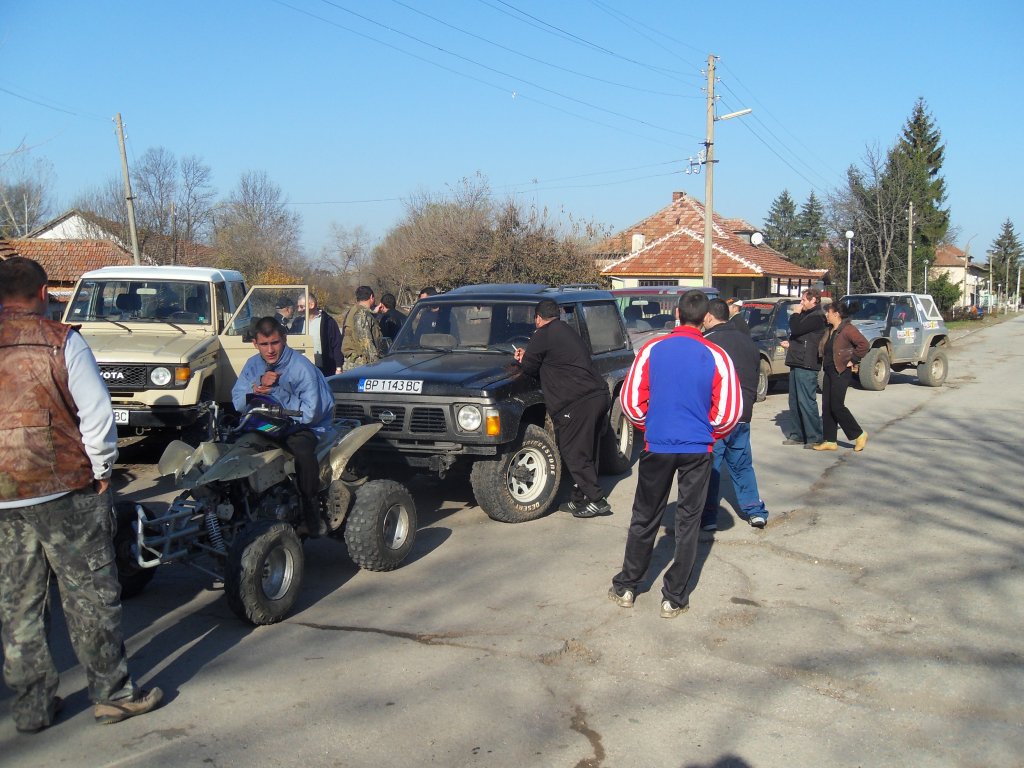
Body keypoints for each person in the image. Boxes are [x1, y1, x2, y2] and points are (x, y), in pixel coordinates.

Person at [0, 257, 163, 732]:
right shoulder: (63, 340)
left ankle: (32, 707)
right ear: (43, 292)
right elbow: (96, 413)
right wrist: (103, 469)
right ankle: (112, 695)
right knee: (90, 595)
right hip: (65, 489)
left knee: (18, 603)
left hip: (4, 497)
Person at [610, 290, 741, 618]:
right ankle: (674, 598)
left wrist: (652, 425)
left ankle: (628, 586)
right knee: (688, 522)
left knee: (644, 516)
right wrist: (707, 433)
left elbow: (630, 401)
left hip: (657, 445)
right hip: (697, 449)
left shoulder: (651, 349)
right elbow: (729, 410)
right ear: (705, 318)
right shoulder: (716, 355)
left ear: (677, 315)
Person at [232, 317, 335, 536]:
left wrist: (275, 392)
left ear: (284, 339)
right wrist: (255, 390)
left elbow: (310, 414)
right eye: (264, 344)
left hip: (305, 426)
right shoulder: (253, 365)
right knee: (236, 445)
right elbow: (238, 401)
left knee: (303, 453)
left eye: (275, 343)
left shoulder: (301, 368)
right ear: (255, 344)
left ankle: (311, 516)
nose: (270, 350)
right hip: (267, 422)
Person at [513, 299, 612, 518]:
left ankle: (597, 500)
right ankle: (580, 499)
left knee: (574, 452)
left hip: (577, 402)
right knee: (588, 452)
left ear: (538, 318)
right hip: (597, 395)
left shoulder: (542, 334)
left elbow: (529, 367)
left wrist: (522, 358)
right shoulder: (567, 330)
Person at [700, 299, 769, 530]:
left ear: (709, 316)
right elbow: (754, 375)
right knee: (742, 464)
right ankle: (755, 511)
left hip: (717, 417)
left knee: (711, 466)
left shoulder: (708, 343)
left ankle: (708, 517)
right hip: (742, 413)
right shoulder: (747, 341)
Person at [813, 302, 870, 452]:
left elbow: (864, 344)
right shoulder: (830, 329)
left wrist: (854, 360)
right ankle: (830, 440)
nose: (827, 315)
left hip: (841, 371)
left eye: (829, 312)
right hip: (829, 370)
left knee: (837, 406)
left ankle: (859, 434)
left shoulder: (847, 329)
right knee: (827, 406)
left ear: (837, 314)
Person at [781, 289, 827, 448]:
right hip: (797, 360)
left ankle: (814, 436)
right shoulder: (807, 316)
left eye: (803, 300)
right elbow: (801, 337)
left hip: (807, 363)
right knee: (794, 401)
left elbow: (797, 329)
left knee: (806, 401)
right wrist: (791, 344)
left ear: (814, 300)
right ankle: (798, 434)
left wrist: (795, 313)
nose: (801, 303)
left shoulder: (817, 317)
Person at [299, 293, 343, 376]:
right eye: (298, 307)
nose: (299, 310)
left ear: (311, 305)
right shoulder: (298, 322)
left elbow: (337, 345)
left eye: (301, 307)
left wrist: (338, 367)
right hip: (302, 369)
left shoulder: (328, 322)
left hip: (324, 369)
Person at [341, 285, 382, 371]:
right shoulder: (362, 314)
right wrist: (377, 365)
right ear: (371, 297)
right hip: (361, 364)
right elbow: (366, 342)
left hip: (354, 362)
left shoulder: (355, 310)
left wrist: (374, 313)